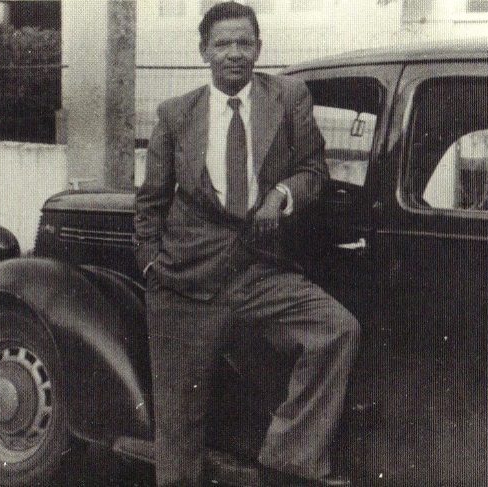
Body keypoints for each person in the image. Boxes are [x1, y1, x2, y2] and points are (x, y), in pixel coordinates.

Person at [134, 2, 359, 486]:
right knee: (179, 421)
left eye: (244, 42)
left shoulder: (289, 97)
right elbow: (150, 200)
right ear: (203, 52)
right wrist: (151, 266)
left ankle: (283, 464)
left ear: (258, 48)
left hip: (261, 272)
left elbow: (315, 171)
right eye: (222, 44)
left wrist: (282, 195)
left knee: (337, 330)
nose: (234, 53)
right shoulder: (175, 115)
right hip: (185, 282)